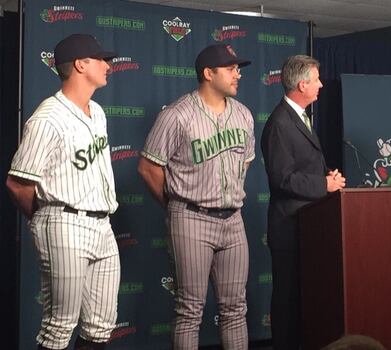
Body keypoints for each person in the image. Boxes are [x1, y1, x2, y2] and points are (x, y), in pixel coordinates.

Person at [6, 34, 120, 350]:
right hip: (64, 222)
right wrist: (47, 217)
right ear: (81, 64)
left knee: (100, 328)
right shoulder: (47, 118)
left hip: (102, 224)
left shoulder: (97, 111)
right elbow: (17, 183)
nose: (107, 65)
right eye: (101, 59)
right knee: (59, 328)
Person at [137, 44, 254, 349]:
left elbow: (246, 161)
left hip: (232, 219)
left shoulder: (243, 115)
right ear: (208, 73)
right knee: (190, 310)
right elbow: (149, 168)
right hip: (191, 217)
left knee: (235, 309)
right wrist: (177, 205)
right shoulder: (177, 115)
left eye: (237, 68)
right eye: (230, 68)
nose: (237, 74)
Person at [261, 55, 346, 349]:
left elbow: (303, 167)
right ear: (302, 84)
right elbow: (282, 178)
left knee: (304, 298)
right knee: (287, 301)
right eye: (316, 79)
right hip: (289, 228)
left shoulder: (300, 117)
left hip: (308, 224)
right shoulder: (280, 123)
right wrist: (324, 184)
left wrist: (326, 176)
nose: (321, 84)